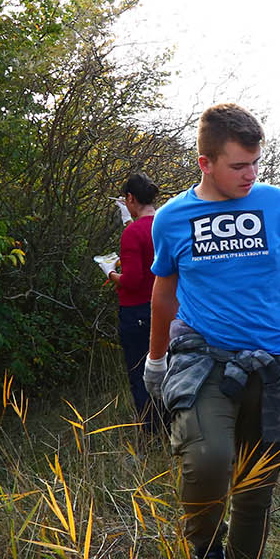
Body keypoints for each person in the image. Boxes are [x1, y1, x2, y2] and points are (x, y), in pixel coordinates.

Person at [143, 103, 280, 559]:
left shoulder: (277, 206)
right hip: (203, 357)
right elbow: (163, 296)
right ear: (205, 162)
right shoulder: (172, 218)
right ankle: (205, 556)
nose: (251, 175)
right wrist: (156, 360)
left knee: (255, 484)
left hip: (277, 361)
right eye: (238, 166)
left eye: (255, 164)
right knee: (208, 460)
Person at [107, 172, 161, 432]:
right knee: (168, 369)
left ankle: (151, 435)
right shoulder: (167, 223)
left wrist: (110, 273)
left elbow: (132, 280)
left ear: (130, 198)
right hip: (170, 309)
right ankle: (175, 429)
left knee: (140, 375)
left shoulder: (133, 233)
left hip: (137, 313)